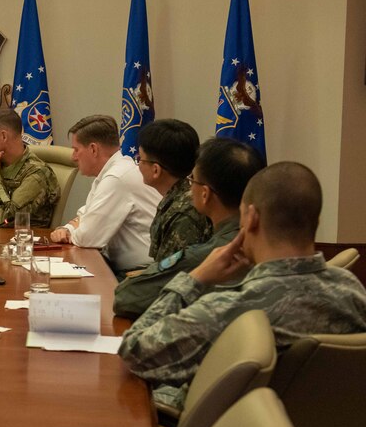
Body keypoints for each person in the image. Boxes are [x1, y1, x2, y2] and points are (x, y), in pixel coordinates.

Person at [119, 162, 366, 409]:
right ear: (317, 220)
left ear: (251, 218)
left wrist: (195, 279)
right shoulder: (352, 291)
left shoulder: (234, 310)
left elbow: (135, 352)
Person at [115, 138, 265, 319]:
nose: (188, 186)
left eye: (192, 179)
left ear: (205, 194)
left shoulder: (214, 255)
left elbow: (126, 297)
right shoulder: (267, 244)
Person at [50, 115, 160, 274]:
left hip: (141, 274)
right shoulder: (111, 173)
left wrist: (70, 233)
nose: (73, 157)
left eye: (76, 150)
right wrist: (66, 228)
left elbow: (87, 238)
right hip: (124, 269)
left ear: (93, 149)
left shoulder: (117, 178)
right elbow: (85, 214)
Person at [135, 119, 212, 263]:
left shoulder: (184, 213)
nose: (138, 164)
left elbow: (174, 273)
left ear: (156, 170)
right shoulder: (176, 198)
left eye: (140, 159)